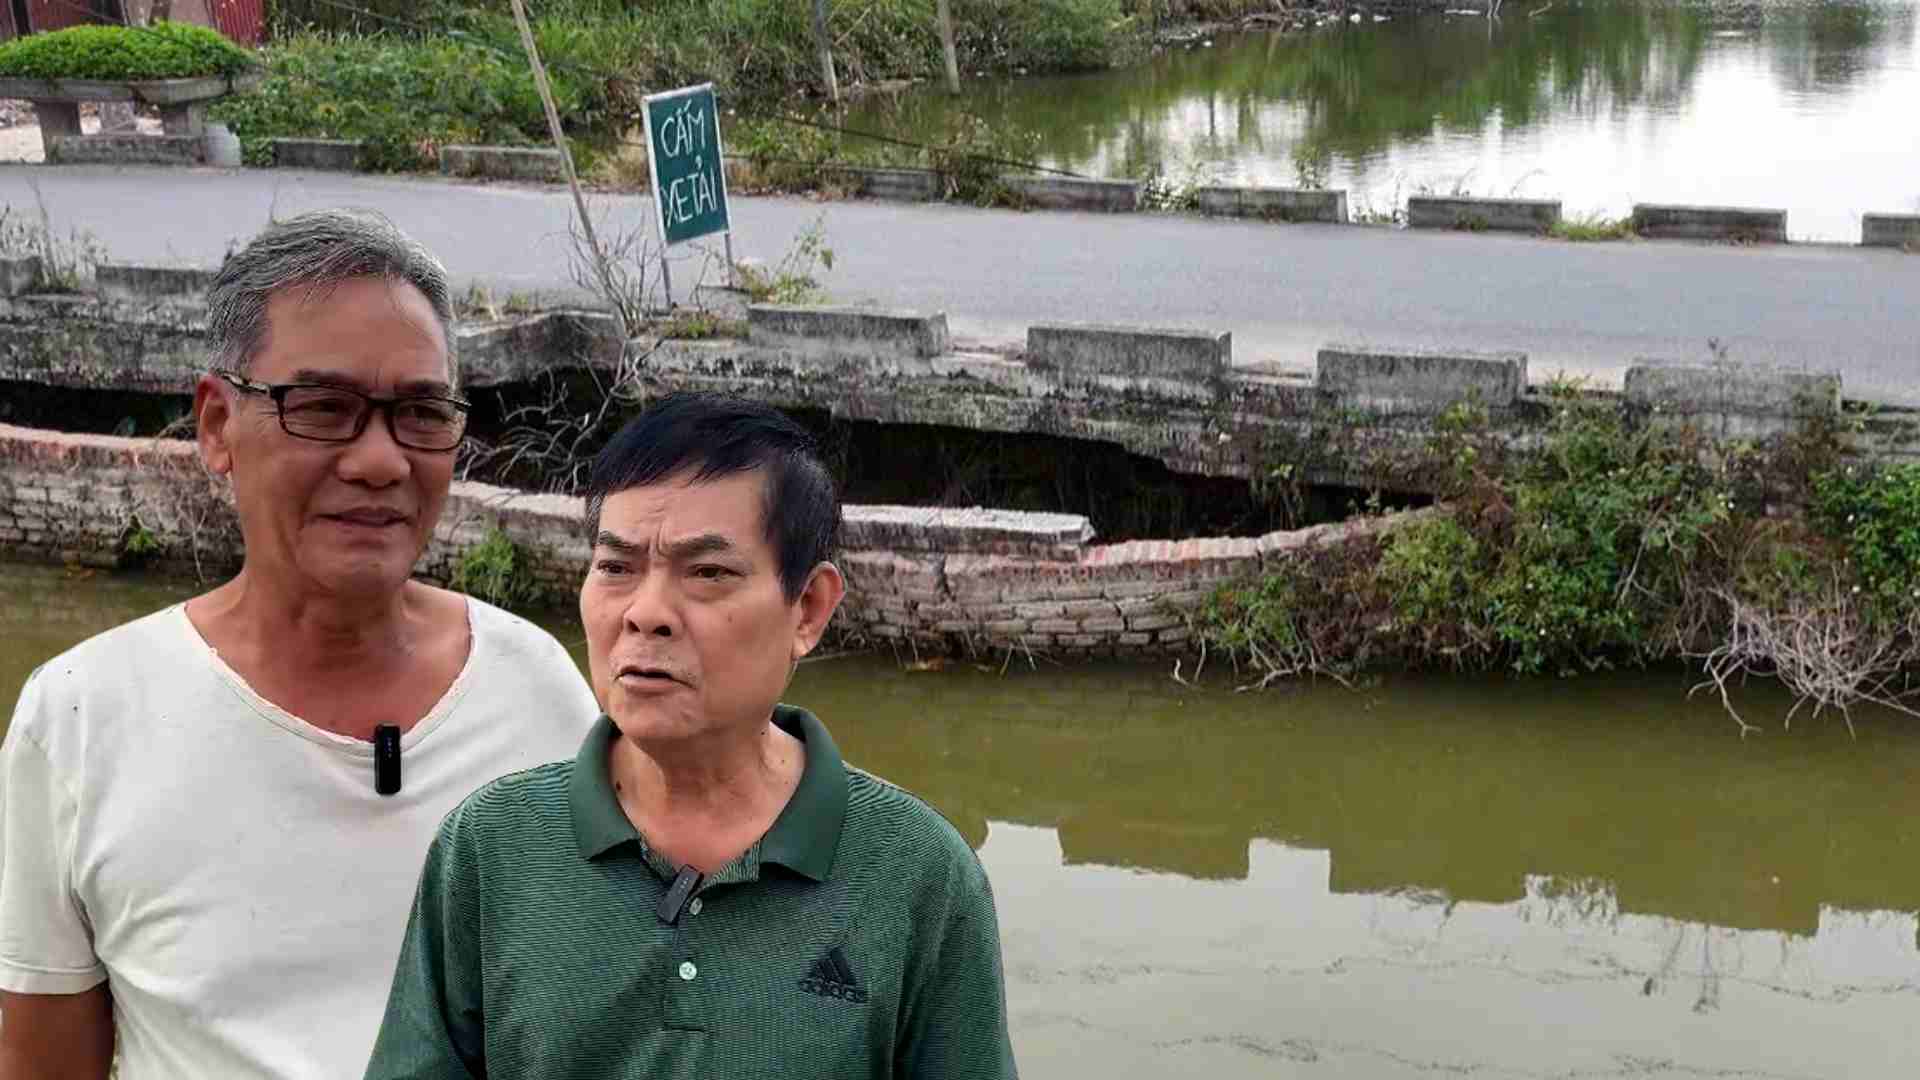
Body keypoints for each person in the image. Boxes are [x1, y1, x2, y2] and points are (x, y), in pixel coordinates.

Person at [0, 210, 599, 1078]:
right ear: (216, 425)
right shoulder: (83, 719)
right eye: (324, 407)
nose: (380, 461)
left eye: (421, 413)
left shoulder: (533, 686)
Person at [364, 393, 1019, 1079]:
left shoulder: (918, 876)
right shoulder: (490, 848)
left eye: (707, 573)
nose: (645, 614)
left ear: (809, 608)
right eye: (615, 568)